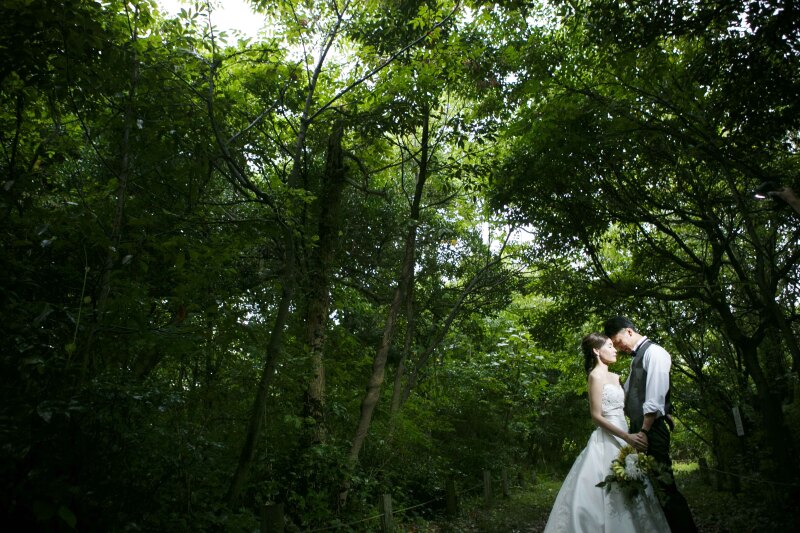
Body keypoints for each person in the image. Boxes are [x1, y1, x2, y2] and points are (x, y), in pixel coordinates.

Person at [543, 333, 669, 533]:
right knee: (607, 489)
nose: (614, 349)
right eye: (609, 346)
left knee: (633, 487)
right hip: (609, 437)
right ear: (596, 350)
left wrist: (663, 413)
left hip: (626, 438)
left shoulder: (617, 377)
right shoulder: (595, 376)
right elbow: (596, 416)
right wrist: (627, 436)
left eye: (613, 345)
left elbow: (634, 403)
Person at [604, 316, 698, 532]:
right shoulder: (636, 359)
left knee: (665, 488)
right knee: (649, 490)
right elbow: (627, 396)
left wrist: (645, 431)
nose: (618, 347)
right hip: (639, 432)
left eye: (617, 341)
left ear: (629, 331)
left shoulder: (655, 353)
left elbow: (654, 399)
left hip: (650, 432)